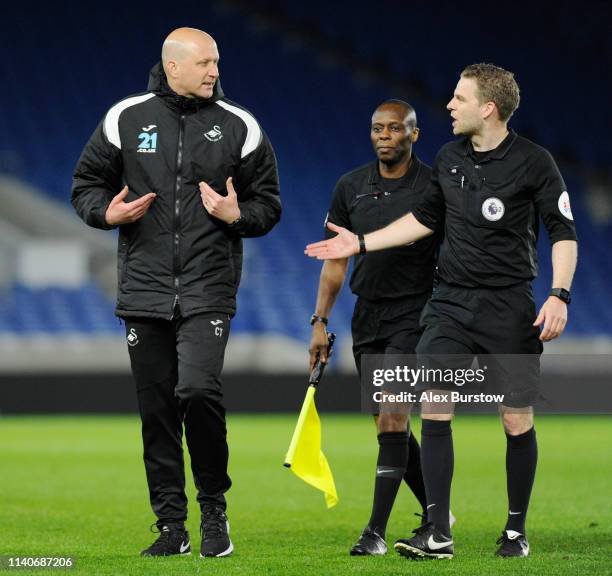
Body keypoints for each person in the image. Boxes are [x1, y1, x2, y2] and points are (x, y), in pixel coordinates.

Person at [305, 63, 577, 559]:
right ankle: (438, 531)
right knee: (433, 403)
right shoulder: (450, 157)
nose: (449, 105)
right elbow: (421, 221)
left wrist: (559, 294)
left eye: (459, 98)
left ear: (487, 108)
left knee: (515, 419)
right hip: (449, 303)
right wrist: (361, 242)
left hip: (509, 304)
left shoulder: (536, 162)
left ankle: (515, 531)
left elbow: (564, 233)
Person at [72, 27, 281, 558]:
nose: (215, 71)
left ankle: (214, 510)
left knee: (196, 391)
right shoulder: (126, 118)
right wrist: (106, 212)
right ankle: (171, 525)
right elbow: (85, 186)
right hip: (143, 289)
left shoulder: (241, 126)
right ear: (174, 67)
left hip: (209, 285)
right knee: (157, 410)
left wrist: (240, 215)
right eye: (207, 62)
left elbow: (268, 205)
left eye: (217, 61)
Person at [309, 100, 449, 555]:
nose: (384, 135)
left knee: (392, 413)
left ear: (414, 134)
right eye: (376, 128)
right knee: (388, 428)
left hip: (417, 314)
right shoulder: (350, 187)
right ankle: (437, 515)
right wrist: (320, 321)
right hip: (367, 315)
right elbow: (335, 261)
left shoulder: (434, 186)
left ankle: (375, 533)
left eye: (394, 128)